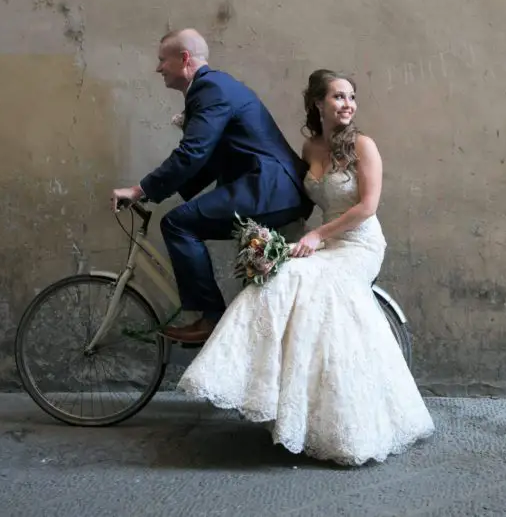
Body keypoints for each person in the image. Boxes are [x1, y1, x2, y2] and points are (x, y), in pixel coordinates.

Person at [175, 69, 435, 466]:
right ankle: (282, 404)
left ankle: (346, 419)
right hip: (325, 240)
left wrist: (316, 237)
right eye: (337, 97)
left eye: (351, 97)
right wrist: (272, 240)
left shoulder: (364, 146)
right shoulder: (311, 147)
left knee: (310, 281)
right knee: (275, 276)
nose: (347, 104)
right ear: (318, 104)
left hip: (358, 245)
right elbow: (290, 190)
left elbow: (367, 207)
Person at [111, 29, 313, 344]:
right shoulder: (214, 88)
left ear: (184, 59)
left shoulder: (211, 89)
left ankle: (210, 320)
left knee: (177, 224)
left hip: (270, 188)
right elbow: (207, 160)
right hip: (269, 188)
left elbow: (192, 153)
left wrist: (139, 190)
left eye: (162, 60)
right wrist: (158, 193)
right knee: (183, 220)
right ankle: (221, 325)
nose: (158, 68)